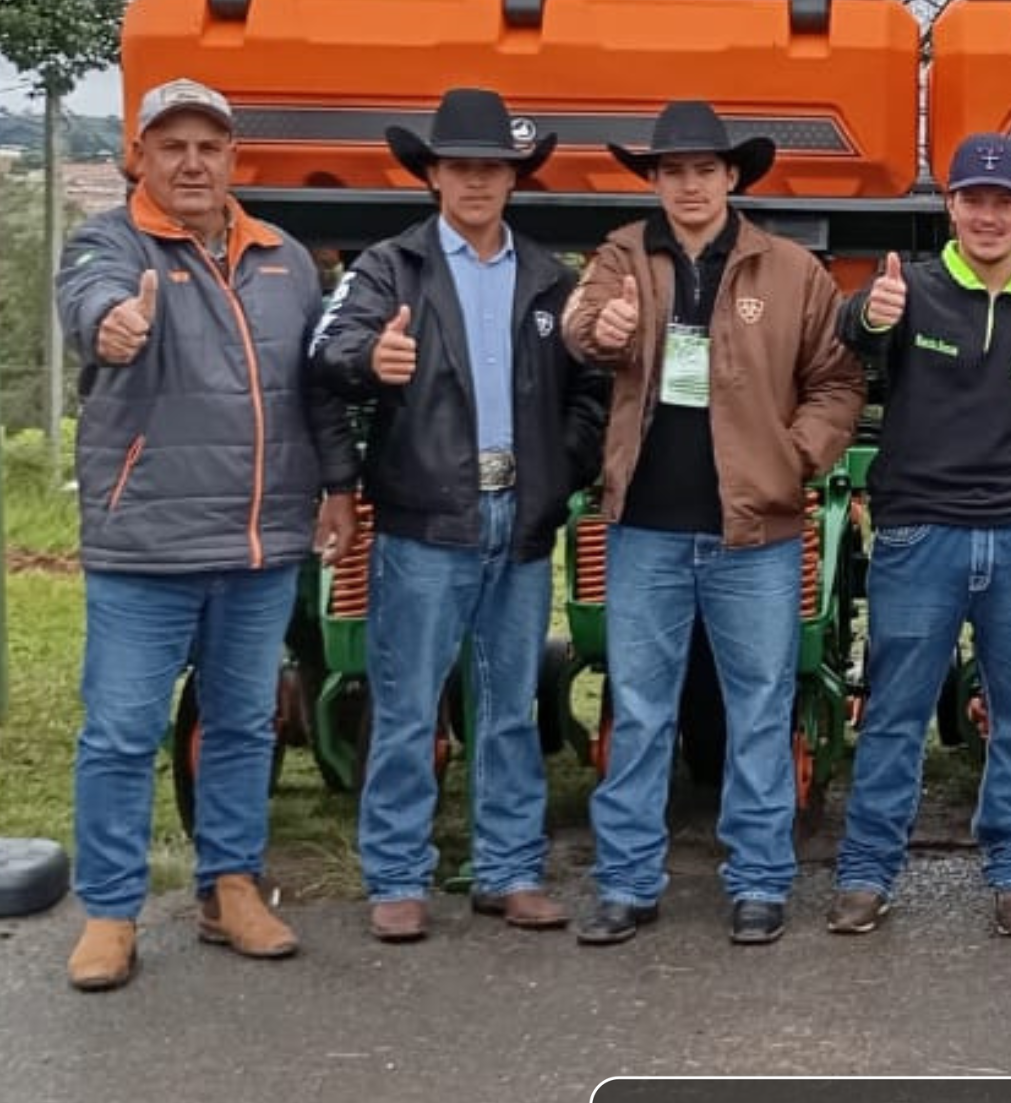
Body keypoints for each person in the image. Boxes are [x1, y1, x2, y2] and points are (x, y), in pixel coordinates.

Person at [56, 77, 359, 991]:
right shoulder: (106, 243)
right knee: (119, 730)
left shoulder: (284, 258)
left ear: (233, 159)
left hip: (261, 542)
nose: (192, 161)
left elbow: (313, 391)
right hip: (146, 543)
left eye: (209, 146)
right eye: (172, 145)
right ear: (136, 158)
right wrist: (113, 324)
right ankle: (110, 911)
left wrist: (337, 489)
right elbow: (92, 305)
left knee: (240, 725)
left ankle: (230, 886)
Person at [562, 101, 864, 946]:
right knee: (641, 707)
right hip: (645, 528)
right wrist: (602, 327)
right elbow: (580, 329)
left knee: (759, 707)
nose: (688, 186)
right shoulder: (622, 256)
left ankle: (760, 880)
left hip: (754, 532)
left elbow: (839, 385)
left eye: (704, 170)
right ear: (653, 182)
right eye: (672, 172)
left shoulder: (792, 271)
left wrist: (791, 457)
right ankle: (626, 881)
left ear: (733, 178)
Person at [309, 89, 608, 943]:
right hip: (425, 518)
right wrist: (373, 356)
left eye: (493, 167)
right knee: (408, 704)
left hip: (519, 517)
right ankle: (398, 877)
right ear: (433, 174)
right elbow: (327, 356)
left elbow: (592, 389)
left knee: (510, 703)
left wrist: (562, 467)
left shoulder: (555, 281)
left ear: (514, 178)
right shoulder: (387, 269)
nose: (476, 181)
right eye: (460, 166)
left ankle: (509, 871)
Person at [827, 133, 1011, 939]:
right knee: (892, 714)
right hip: (921, 539)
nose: (987, 215)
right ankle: (865, 873)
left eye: (1003, 201)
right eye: (971, 199)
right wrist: (863, 313)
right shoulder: (906, 293)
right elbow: (855, 339)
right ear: (948, 206)